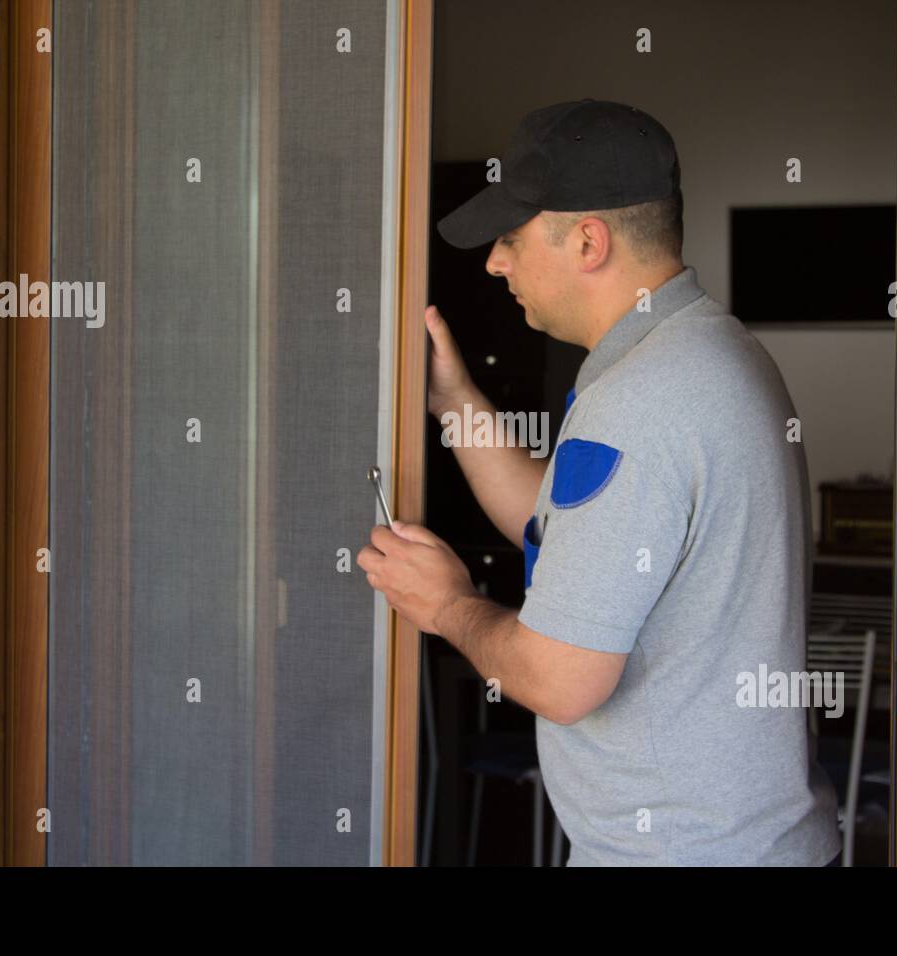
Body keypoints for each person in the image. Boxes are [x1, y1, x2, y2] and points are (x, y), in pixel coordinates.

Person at [359, 98, 840, 866]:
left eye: (511, 239)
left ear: (588, 241)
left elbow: (559, 679)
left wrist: (446, 605)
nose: (494, 263)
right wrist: (454, 403)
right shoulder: (707, 354)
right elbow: (564, 530)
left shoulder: (639, 402)